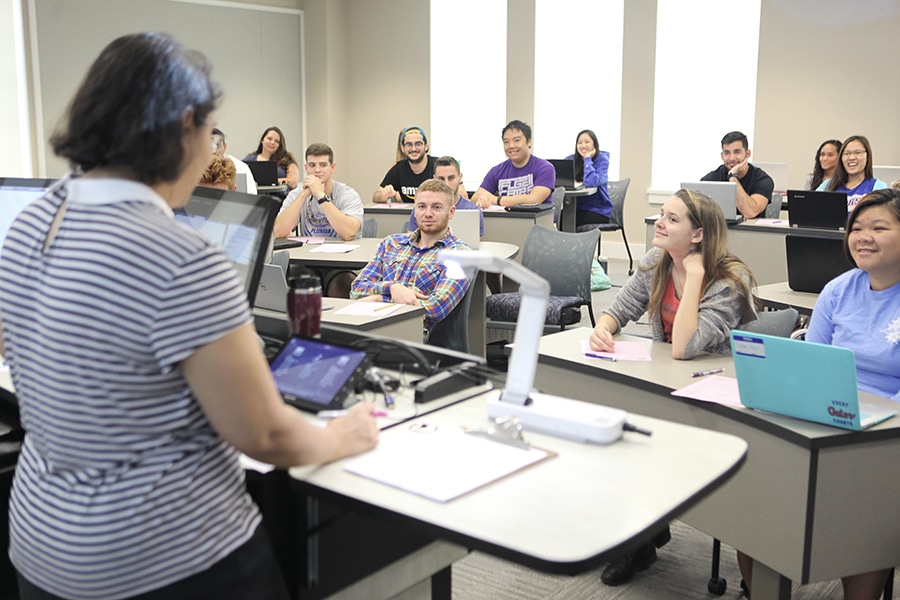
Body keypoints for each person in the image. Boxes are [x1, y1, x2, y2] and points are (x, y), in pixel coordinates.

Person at [0, 32, 378, 599]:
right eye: (211, 129)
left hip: (43, 545)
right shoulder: (181, 255)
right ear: (183, 127)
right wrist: (341, 438)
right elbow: (265, 433)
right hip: (164, 557)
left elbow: (16, 345)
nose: (214, 146)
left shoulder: (35, 220)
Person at [589, 188, 758, 587]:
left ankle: (648, 530)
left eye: (672, 218)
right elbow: (621, 307)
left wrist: (695, 275)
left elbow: (684, 348)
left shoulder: (731, 280)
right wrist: (603, 328)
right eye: (661, 214)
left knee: (651, 443)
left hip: (717, 393)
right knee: (621, 434)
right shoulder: (657, 261)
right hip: (666, 379)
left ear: (698, 234)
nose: (659, 223)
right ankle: (641, 538)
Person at [741, 188, 900, 600]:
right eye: (857, 228)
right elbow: (810, 364)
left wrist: (869, 423)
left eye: (879, 228)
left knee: (863, 517)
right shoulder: (839, 289)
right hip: (829, 417)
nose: (864, 236)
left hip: (887, 436)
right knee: (756, 500)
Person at [351, 179, 470, 340]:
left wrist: (378, 298)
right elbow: (357, 289)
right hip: (368, 325)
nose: (428, 213)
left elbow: (435, 308)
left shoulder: (460, 254)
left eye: (436, 207)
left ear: (451, 212)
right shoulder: (391, 243)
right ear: (414, 210)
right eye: (421, 206)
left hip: (412, 337)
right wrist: (392, 287)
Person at [274, 142, 364, 297]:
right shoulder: (297, 194)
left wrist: (321, 196)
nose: (317, 170)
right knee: (292, 282)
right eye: (312, 165)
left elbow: (348, 232)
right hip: (308, 261)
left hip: (340, 263)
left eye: (323, 165)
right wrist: (304, 195)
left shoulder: (347, 194)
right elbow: (279, 231)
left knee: (342, 285)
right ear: (306, 168)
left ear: (332, 167)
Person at [472, 119, 556, 209]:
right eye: (506, 142)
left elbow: (534, 199)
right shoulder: (497, 170)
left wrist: (497, 200)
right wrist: (482, 198)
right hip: (506, 220)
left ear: (529, 142)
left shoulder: (544, 168)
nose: (511, 146)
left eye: (516, 140)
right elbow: (474, 198)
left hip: (537, 220)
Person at [701, 131, 774, 219]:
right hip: (721, 230)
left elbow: (749, 212)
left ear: (747, 154)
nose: (732, 158)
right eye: (727, 153)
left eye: (737, 152)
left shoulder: (763, 180)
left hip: (751, 231)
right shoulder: (711, 179)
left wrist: (733, 177)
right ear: (722, 155)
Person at [408, 155, 484, 237]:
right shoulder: (422, 209)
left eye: (451, 178)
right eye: (441, 179)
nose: (446, 184)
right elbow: (411, 241)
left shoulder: (473, 211)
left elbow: (476, 244)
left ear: (460, 177)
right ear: (434, 178)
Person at [817, 135, 888, 211]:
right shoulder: (828, 185)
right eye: (847, 153)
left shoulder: (878, 186)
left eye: (857, 153)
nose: (851, 158)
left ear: (867, 156)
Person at [373, 126, 437, 203]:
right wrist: (384, 195)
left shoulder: (438, 165)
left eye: (418, 144)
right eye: (409, 144)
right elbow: (376, 196)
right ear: (402, 148)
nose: (413, 149)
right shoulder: (398, 169)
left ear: (426, 146)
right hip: (407, 214)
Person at [566, 129, 613, 226]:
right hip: (576, 207)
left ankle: (576, 242)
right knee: (560, 217)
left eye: (587, 142)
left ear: (594, 144)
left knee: (569, 220)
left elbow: (591, 182)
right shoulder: (570, 160)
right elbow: (562, 181)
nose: (583, 145)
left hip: (598, 210)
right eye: (579, 143)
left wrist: (587, 159)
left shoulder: (602, 160)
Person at [244, 125, 300, 190]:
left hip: (280, 198)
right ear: (262, 140)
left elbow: (292, 182)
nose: (272, 142)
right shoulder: (249, 159)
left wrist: (271, 181)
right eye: (269, 139)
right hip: (256, 198)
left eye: (277, 141)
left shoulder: (288, 161)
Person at [211, 127, 257, 193]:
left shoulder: (241, 167)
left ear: (224, 147)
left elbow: (252, 196)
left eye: (217, 146)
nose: (213, 151)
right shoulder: (194, 168)